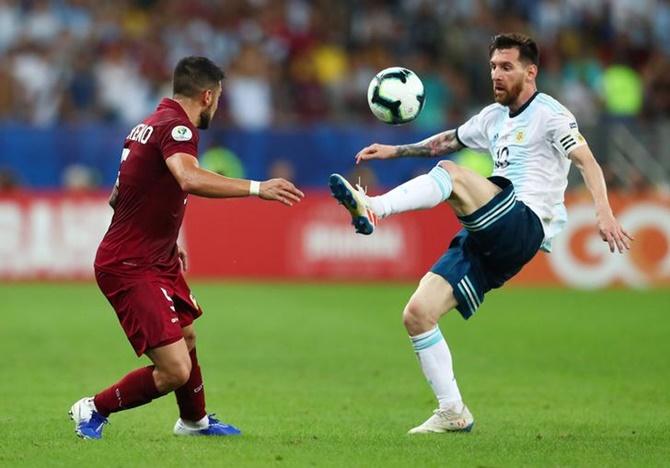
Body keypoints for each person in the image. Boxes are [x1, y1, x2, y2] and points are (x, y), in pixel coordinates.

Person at [329, 33, 632, 434]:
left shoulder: (551, 114)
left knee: (452, 176)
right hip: (490, 237)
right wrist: (395, 150)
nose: (497, 75)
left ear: (531, 71)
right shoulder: (492, 117)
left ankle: (374, 207)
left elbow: (587, 161)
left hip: (524, 222)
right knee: (418, 315)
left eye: (506, 67)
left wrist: (604, 213)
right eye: (493, 67)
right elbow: (446, 141)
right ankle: (453, 411)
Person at [69, 56, 304, 440]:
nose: (218, 106)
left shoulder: (145, 126)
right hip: (130, 264)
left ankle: (193, 421)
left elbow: (119, 195)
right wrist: (258, 188)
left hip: (153, 255)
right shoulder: (178, 128)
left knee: (187, 336)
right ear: (207, 96)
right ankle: (93, 408)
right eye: (219, 99)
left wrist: (165, 237)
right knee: (175, 369)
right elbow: (187, 177)